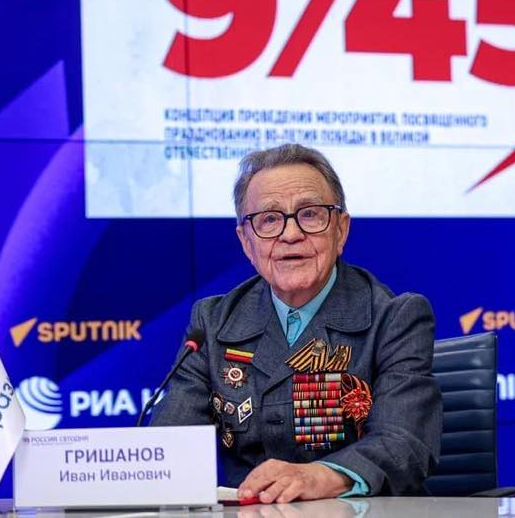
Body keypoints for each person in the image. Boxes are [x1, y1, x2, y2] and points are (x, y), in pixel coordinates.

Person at [150, 143, 442, 502]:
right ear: (246, 242)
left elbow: (404, 443)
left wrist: (322, 475)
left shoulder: (394, 318)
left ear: (341, 230)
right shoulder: (212, 323)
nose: (290, 234)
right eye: (269, 219)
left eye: (310, 214)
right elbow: (168, 450)